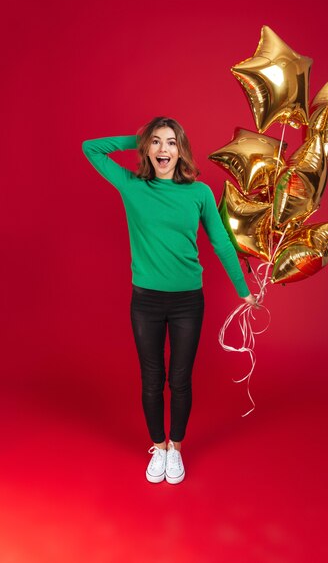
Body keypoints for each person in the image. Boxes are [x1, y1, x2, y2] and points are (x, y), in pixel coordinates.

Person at [82, 116, 257, 485]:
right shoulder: (132, 185)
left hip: (187, 303)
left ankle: (175, 448)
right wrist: (140, 138)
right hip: (145, 301)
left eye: (172, 142)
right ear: (148, 148)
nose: (164, 149)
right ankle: (158, 447)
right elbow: (91, 148)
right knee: (151, 378)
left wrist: (243, 289)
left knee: (179, 379)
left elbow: (221, 242)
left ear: (182, 151)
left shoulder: (199, 193)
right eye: (157, 142)